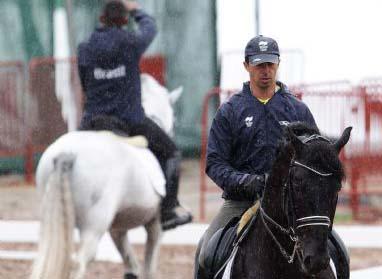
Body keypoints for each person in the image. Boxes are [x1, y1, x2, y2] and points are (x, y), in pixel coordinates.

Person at [196, 35, 318, 269]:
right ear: (246, 66)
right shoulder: (230, 111)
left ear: (278, 64)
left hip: (292, 205)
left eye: (270, 64)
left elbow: (313, 158)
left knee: (336, 250)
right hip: (241, 202)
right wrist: (246, 181)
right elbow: (215, 163)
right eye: (259, 64)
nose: (266, 71)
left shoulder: (298, 110)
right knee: (205, 254)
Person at [77, 0, 192, 230]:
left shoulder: (84, 47)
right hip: (128, 120)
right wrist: (136, 10)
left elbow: (84, 83)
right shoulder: (130, 42)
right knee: (171, 153)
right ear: (124, 21)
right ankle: (168, 210)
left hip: (91, 122)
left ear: (101, 19)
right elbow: (150, 27)